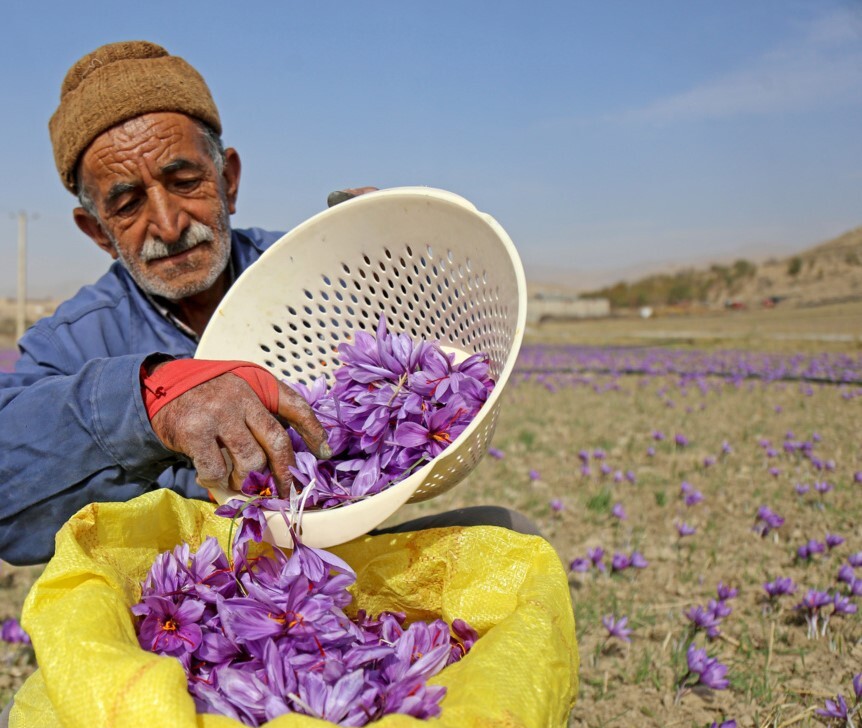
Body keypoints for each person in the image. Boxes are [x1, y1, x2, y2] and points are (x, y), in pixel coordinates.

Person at [0, 40, 539, 568]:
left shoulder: (322, 270)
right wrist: (149, 402)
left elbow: (441, 356)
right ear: (96, 230)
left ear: (228, 180)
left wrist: (408, 255)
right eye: (127, 203)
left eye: (185, 181)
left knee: (514, 538)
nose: (167, 224)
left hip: (336, 553)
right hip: (195, 592)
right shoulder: (72, 341)